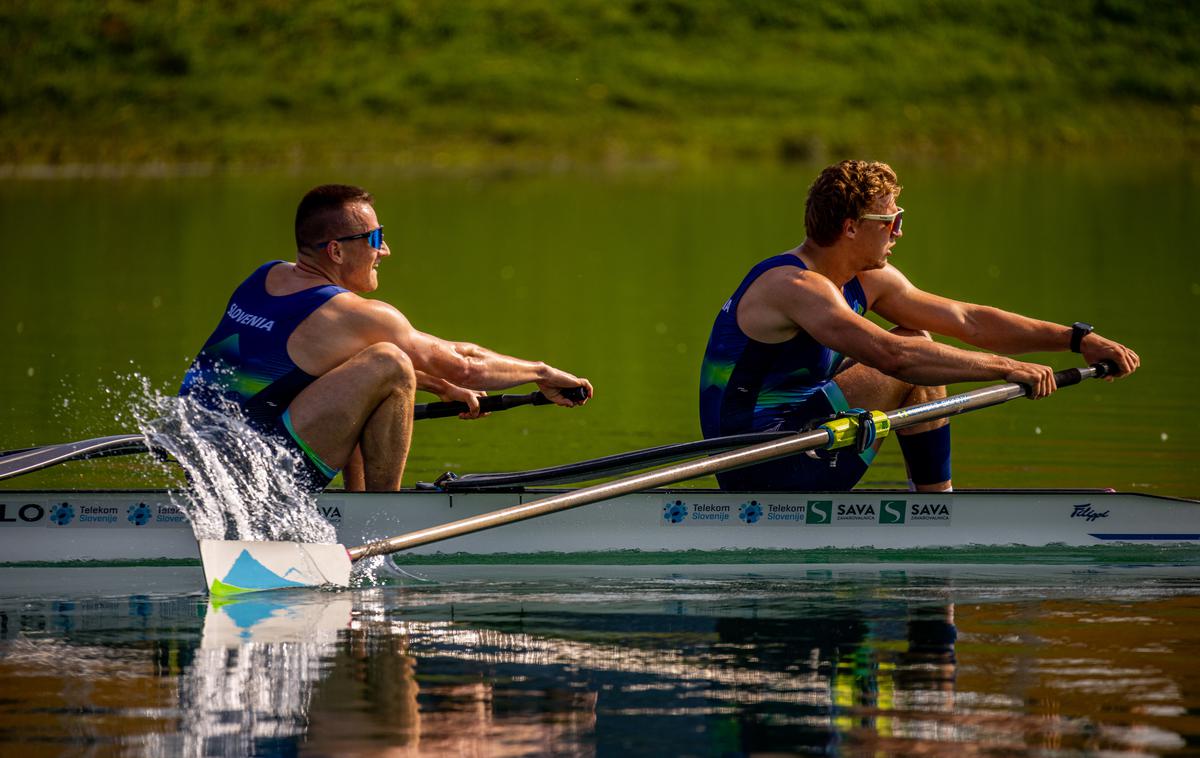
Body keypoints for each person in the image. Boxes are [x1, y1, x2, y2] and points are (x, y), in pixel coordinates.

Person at [699, 160, 1138, 493]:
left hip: (804, 437)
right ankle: (935, 512)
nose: (899, 232)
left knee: (918, 338)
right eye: (891, 221)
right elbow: (895, 359)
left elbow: (969, 321)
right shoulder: (794, 286)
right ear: (851, 228)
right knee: (911, 351)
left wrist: (1076, 339)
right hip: (757, 462)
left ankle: (933, 506)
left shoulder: (867, 280)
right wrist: (1005, 368)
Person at [180, 184, 591, 492]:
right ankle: (381, 520)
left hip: (201, 461)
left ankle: (356, 503)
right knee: (389, 364)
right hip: (259, 475)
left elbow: (321, 359)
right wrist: (540, 372)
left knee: (377, 363)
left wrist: (436, 385)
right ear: (336, 252)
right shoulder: (353, 315)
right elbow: (463, 363)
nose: (386, 250)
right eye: (375, 238)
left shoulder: (266, 276)